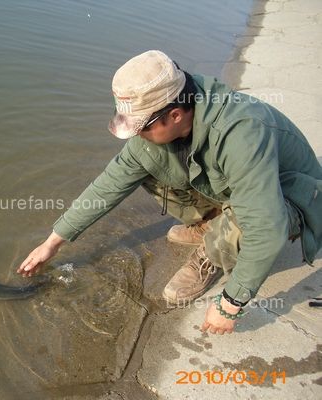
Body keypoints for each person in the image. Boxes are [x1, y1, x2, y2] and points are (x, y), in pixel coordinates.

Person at [16, 50, 322, 335]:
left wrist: (231, 304)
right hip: (233, 187)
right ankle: (212, 224)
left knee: (250, 220)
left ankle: (214, 251)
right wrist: (53, 242)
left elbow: (266, 227)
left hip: (289, 197)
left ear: (175, 115)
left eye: (141, 126)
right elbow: (108, 185)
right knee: (149, 167)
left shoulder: (241, 131)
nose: (137, 135)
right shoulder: (157, 129)